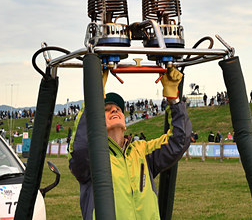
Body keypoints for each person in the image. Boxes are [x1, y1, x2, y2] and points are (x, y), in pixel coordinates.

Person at [68, 66, 191, 220]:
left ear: (125, 123)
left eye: (118, 109)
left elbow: (179, 141)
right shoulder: (93, 158)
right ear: (96, 119)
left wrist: (174, 100)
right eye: (106, 109)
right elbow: (79, 149)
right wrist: (93, 95)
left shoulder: (142, 151)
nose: (114, 110)